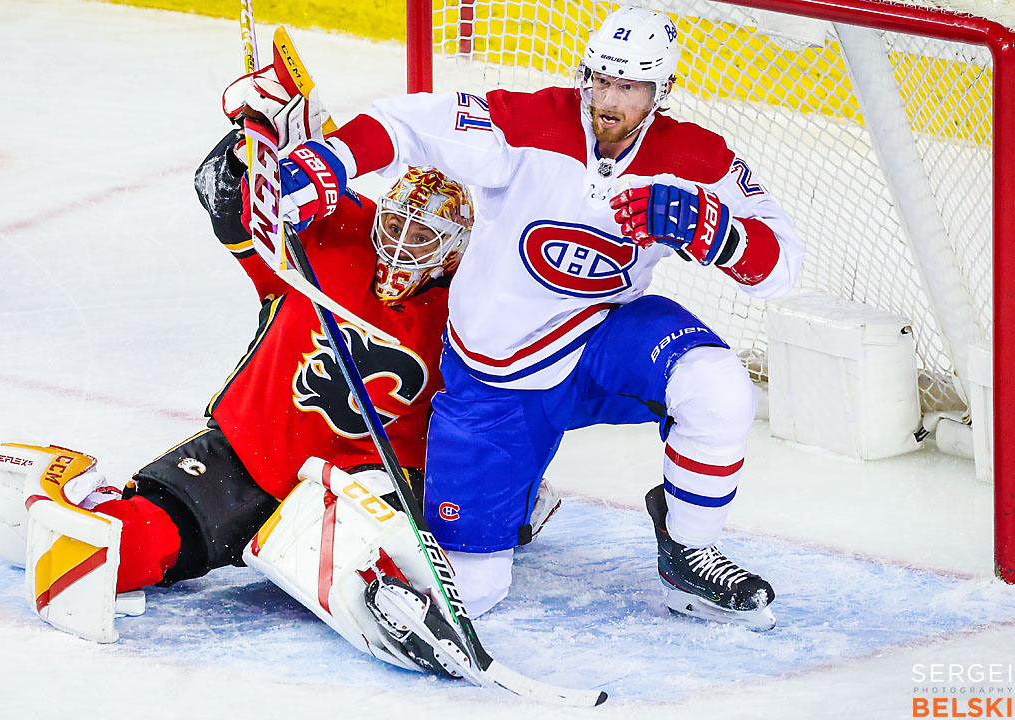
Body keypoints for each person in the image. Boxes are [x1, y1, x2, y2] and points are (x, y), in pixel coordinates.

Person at [0, 62, 558, 674]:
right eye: (394, 224)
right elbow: (229, 199)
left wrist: (499, 493)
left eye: (423, 238)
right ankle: (80, 508)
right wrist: (251, 140)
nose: (399, 244)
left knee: (423, 539)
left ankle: (445, 553)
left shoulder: (473, 311)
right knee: (143, 542)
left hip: (367, 482)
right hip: (253, 450)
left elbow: (509, 408)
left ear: (455, 251)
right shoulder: (334, 233)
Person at [274, 5, 804, 631]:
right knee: (472, 587)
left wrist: (710, 227)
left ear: (660, 91)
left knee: (718, 388)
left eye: (630, 87)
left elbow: (782, 265)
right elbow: (409, 125)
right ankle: (502, 503)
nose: (609, 100)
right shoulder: (525, 122)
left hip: (603, 340)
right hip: (492, 376)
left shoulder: (693, 158)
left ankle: (690, 548)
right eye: (601, 80)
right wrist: (327, 162)